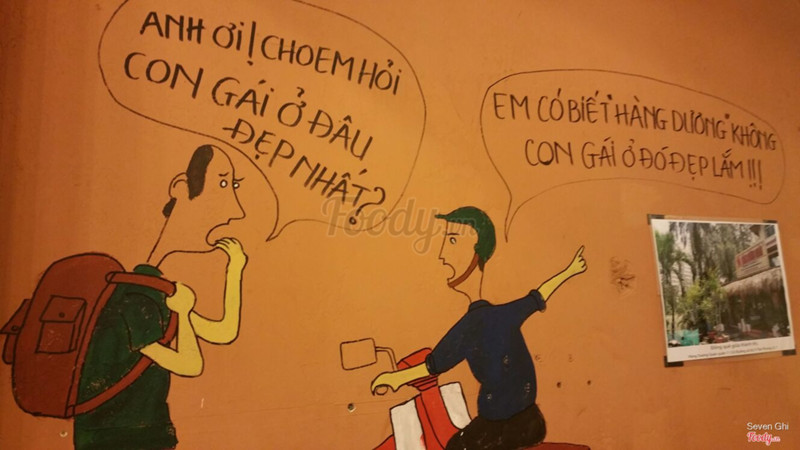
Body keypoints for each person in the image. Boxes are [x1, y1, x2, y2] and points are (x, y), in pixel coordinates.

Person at [73, 144, 248, 449]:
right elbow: (190, 364)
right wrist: (184, 310)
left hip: (138, 434)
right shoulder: (135, 300)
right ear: (181, 188)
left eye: (233, 185)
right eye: (222, 183)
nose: (237, 210)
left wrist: (235, 270)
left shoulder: (156, 290)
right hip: (120, 438)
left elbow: (222, 332)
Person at [371, 206, 587, 449]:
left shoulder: (471, 325)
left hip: (497, 427)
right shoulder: (505, 314)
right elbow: (539, 295)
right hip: (531, 422)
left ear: (476, 253)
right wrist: (570, 271)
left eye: (452, 240)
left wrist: (396, 378)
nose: (442, 255)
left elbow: (432, 365)